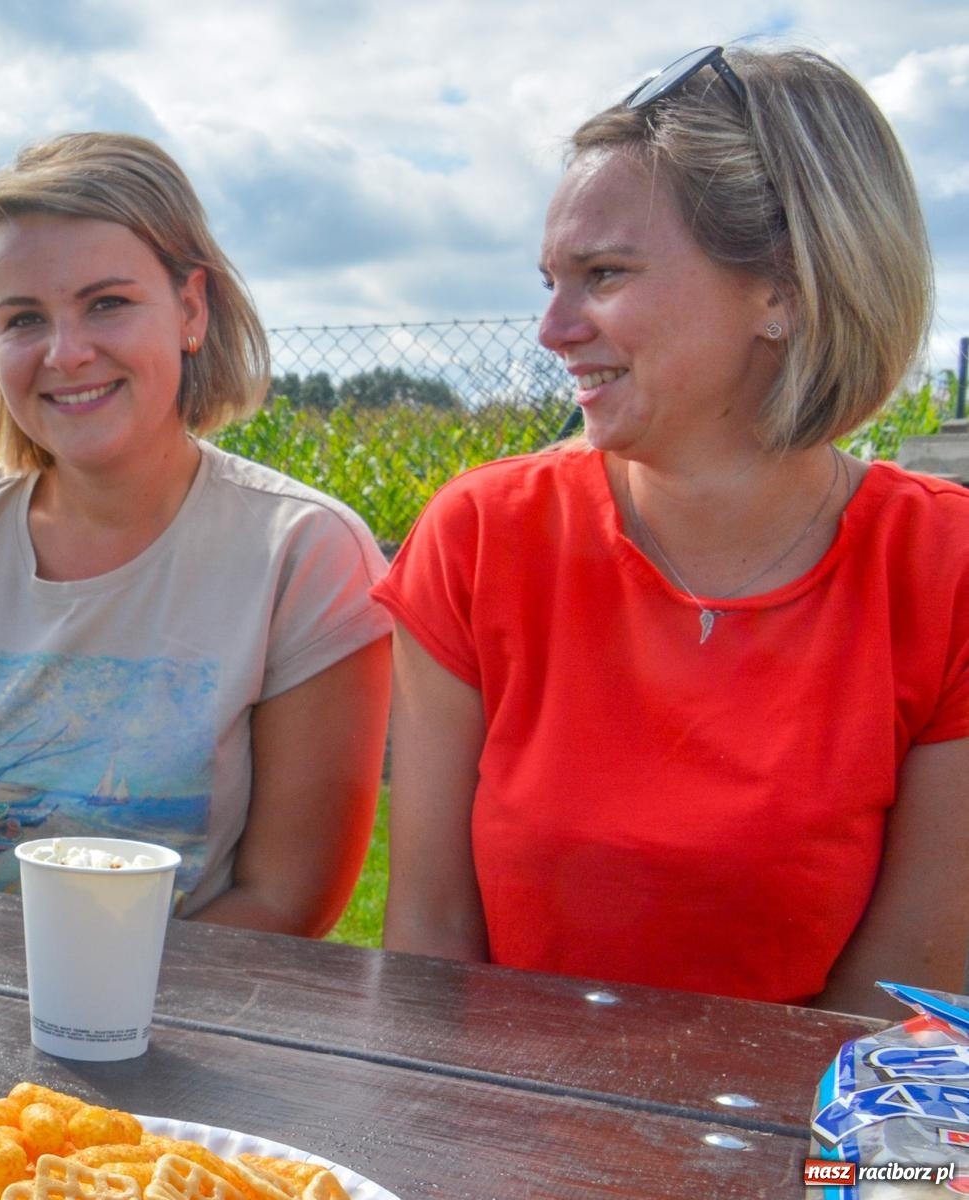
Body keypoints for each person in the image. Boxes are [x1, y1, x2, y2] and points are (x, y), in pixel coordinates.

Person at [376, 46, 969, 1017]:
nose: (553, 329)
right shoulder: (480, 538)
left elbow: (899, 1017)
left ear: (784, 287)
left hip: (804, 1157)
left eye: (603, 274)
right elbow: (429, 947)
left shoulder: (943, 573)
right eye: (549, 282)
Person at [0, 132, 392, 936]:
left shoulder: (303, 556)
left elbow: (286, 904)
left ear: (192, 308)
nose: (66, 353)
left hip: (162, 1032)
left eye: (107, 304)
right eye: (23, 319)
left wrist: (79, 1008)